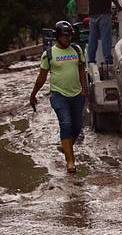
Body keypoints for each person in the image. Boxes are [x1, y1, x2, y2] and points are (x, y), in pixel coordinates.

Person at [29, 21, 87, 173]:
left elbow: (82, 70)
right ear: (57, 37)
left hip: (77, 94)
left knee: (77, 126)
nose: (68, 39)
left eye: (69, 36)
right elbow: (41, 78)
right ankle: (70, 162)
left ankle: (65, 145)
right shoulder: (48, 55)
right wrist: (33, 94)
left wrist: (85, 91)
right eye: (65, 36)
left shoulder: (76, 49)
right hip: (58, 95)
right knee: (66, 123)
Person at [87, 0, 122, 65]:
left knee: (92, 38)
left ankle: (91, 60)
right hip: (104, 12)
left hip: (93, 13)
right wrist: (118, 6)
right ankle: (108, 60)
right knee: (106, 37)